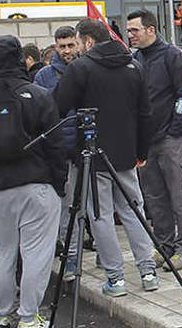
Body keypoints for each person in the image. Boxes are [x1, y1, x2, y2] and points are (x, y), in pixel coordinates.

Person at [0, 35, 66, 328]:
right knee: (36, 256)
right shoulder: (40, 94)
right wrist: (59, 185)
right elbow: (56, 145)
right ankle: (30, 318)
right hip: (38, 185)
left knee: (0, 255)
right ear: (19, 57)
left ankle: (1, 314)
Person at [55, 18, 159, 296]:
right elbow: (145, 113)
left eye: (77, 42)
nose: (75, 49)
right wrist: (141, 151)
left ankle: (116, 278)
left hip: (93, 155)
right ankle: (148, 271)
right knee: (133, 210)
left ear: (88, 41)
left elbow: (58, 105)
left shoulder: (80, 68)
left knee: (99, 215)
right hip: (127, 153)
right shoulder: (133, 66)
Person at [127, 9, 182, 272]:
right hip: (147, 142)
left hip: (171, 140)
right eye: (129, 30)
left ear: (150, 29)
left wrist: (175, 128)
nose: (130, 34)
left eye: (135, 29)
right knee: (155, 198)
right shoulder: (135, 60)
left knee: (179, 196)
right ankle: (165, 246)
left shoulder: (172, 57)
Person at [33, 26, 82, 273]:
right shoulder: (44, 76)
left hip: (85, 147)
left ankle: (88, 252)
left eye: (70, 45)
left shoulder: (86, 68)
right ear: (55, 47)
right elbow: (41, 112)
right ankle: (71, 257)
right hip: (60, 149)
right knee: (67, 208)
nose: (66, 51)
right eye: (62, 46)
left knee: (92, 208)